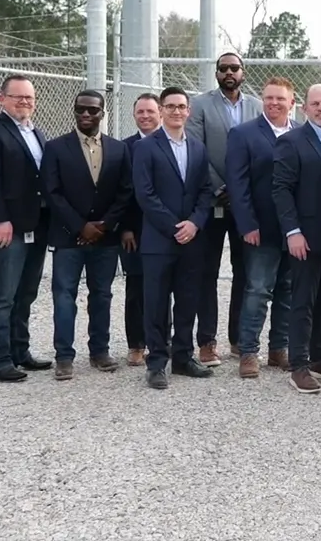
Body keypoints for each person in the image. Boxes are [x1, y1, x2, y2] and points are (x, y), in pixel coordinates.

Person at [42, 90, 134, 380]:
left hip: (105, 239)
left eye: (92, 110)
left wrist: (104, 225)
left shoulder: (119, 149)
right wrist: (80, 226)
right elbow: (52, 193)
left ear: (102, 114)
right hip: (69, 237)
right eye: (80, 109)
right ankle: (64, 357)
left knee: (102, 296)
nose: (86, 114)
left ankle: (99, 351)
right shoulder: (56, 148)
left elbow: (125, 191)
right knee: (64, 296)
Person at [132, 86, 216, 390]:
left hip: (191, 241)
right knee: (156, 303)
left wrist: (194, 223)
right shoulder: (146, 148)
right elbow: (145, 194)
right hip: (159, 241)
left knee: (187, 300)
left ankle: (183, 356)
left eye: (182, 106)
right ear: (162, 110)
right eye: (170, 106)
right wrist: (174, 227)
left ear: (188, 111)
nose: (176, 111)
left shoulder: (197, 147)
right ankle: (156, 363)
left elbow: (205, 191)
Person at [0, 74, 53, 382]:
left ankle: (20, 351)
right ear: (1, 99)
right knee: (3, 294)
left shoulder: (38, 133)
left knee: (26, 293)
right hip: (7, 228)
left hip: (35, 225)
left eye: (29, 98)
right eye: (17, 96)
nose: (24, 102)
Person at [187, 52, 263, 365]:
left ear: (243, 72)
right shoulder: (201, 105)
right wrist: (222, 187)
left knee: (245, 273)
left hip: (246, 206)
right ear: (217, 73)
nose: (229, 72)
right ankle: (206, 341)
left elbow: (262, 151)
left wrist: (241, 191)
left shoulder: (257, 107)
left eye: (235, 68)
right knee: (207, 272)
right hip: (212, 201)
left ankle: (239, 338)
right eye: (223, 69)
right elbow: (196, 150)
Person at [272, 84, 321, 394]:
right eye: (315, 103)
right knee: (302, 300)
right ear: (304, 109)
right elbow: (281, 190)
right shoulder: (291, 142)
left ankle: (318, 356)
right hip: (305, 236)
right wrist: (293, 232)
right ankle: (298, 365)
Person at [225, 76, 298, 378]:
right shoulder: (243, 135)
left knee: (288, 290)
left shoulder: (302, 134)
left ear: (292, 103)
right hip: (261, 228)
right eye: (268, 98)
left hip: (294, 231)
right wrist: (247, 225)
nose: (274, 103)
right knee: (257, 290)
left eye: (280, 98)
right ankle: (248, 351)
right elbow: (237, 184)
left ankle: (278, 349)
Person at [120, 93, 163, 366]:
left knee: (165, 288)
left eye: (150, 111)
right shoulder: (124, 147)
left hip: (166, 230)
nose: (145, 116)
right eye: (140, 112)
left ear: (160, 112)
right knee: (136, 288)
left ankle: (162, 341)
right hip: (135, 232)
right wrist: (125, 228)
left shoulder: (171, 142)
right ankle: (136, 344)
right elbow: (122, 192)